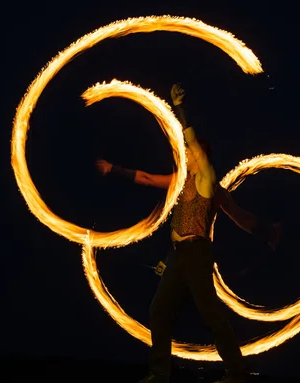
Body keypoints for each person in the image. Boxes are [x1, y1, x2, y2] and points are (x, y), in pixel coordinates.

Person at [96, 84, 281, 383]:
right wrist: (114, 168)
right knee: (159, 310)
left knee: (210, 314)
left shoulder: (206, 180)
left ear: (199, 156)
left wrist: (180, 110)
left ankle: (236, 372)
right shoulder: (179, 181)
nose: (184, 153)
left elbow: (193, 144)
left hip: (197, 253)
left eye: (189, 152)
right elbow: (144, 178)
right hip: (178, 255)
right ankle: (159, 373)